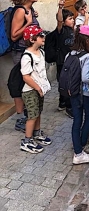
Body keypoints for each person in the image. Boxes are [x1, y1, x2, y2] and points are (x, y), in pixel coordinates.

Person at [11, 0, 40, 132]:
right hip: (21, 53)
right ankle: (23, 119)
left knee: (30, 85)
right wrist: (28, 23)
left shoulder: (30, 9)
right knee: (24, 86)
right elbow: (14, 35)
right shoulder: (20, 11)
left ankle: (30, 116)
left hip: (31, 52)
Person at [69, 25, 89, 165]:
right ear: (87, 40)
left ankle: (78, 148)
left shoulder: (70, 54)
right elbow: (86, 77)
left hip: (73, 92)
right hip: (85, 93)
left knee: (76, 120)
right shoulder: (88, 57)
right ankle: (79, 152)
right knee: (88, 118)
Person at [20, 25, 51, 153]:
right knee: (32, 116)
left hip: (39, 89)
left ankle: (37, 133)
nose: (43, 37)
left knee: (38, 112)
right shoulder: (27, 57)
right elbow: (26, 77)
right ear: (32, 39)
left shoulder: (41, 52)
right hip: (30, 90)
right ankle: (27, 141)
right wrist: (37, 88)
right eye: (40, 36)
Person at [54, 0, 75, 118]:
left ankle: (62, 102)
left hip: (70, 60)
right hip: (62, 61)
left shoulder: (72, 30)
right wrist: (61, 8)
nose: (72, 20)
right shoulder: (61, 30)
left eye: (73, 18)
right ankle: (68, 107)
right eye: (70, 19)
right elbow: (59, 20)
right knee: (65, 83)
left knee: (66, 82)